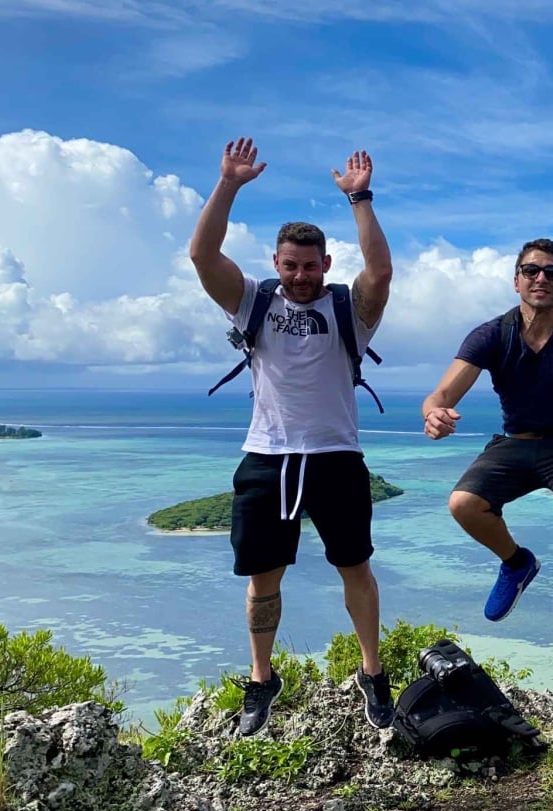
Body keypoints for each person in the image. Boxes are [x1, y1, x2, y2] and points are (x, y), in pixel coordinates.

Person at [189, 137, 394, 737]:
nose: (301, 275)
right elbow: (202, 256)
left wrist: (359, 198)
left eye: (310, 265)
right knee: (263, 578)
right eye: (291, 265)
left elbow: (379, 271)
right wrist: (228, 183)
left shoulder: (346, 308)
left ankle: (372, 672)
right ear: (276, 264)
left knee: (356, 567)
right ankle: (261, 678)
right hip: (268, 456)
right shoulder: (251, 302)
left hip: (336, 456)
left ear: (326, 265)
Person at [423, 239, 553, 622]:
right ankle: (516, 563)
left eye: (552, 272)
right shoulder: (494, 334)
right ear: (517, 281)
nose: (541, 278)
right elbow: (443, 392)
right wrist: (433, 413)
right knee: (462, 504)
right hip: (516, 442)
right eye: (531, 271)